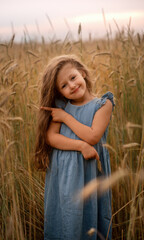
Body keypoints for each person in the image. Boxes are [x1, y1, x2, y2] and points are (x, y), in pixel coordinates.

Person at [35, 55, 115, 240]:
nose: (71, 85)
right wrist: (80, 146)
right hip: (63, 174)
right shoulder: (62, 106)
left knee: (89, 214)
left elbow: (93, 136)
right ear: (59, 92)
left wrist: (64, 117)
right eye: (63, 86)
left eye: (73, 78)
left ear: (83, 73)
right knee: (65, 214)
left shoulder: (103, 104)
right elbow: (51, 137)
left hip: (90, 173)